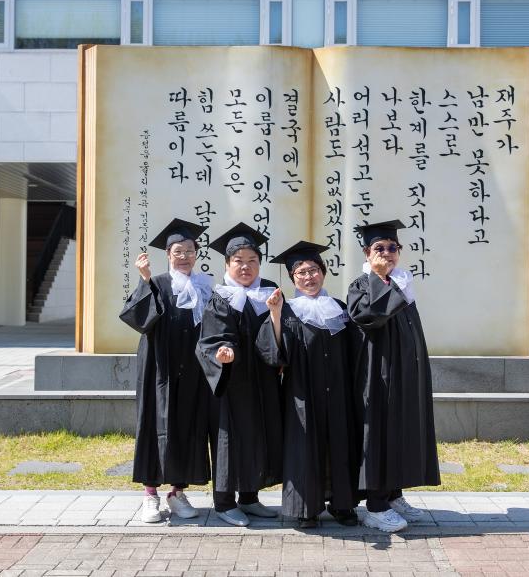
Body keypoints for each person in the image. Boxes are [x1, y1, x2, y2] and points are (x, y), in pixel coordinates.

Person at [257, 240, 359, 529]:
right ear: (292, 278)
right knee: (305, 448)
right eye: (301, 272)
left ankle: (342, 504)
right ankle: (305, 509)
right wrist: (275, 316)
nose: (308, 277)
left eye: (313, 270)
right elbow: (276, 353)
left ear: (323, 272)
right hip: (302, 392)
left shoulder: (339, 308)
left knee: (339, 445)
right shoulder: (287, 310)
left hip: (338, 391)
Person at [347, 219, 440, 533]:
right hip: (378, 375)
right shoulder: (361, 284)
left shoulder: (402, 283)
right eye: (379, 248)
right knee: (379, 436)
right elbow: (365, 317)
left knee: (401, 431)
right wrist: (379, 277)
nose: (387, 253)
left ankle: (394, 494)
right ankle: (375, 505)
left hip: (404, 375)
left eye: (392, 248)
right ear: (366, 252)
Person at [119, 218, 214, 523]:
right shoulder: (158, 282)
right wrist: (144, 279)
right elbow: (138, 318)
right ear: (168, 255)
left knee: (187, 426)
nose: (184, 255)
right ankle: (150, 495)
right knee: (155, 424)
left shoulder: (204, 286)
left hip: (193, 370)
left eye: (189, 250)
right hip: (160, 369)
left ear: (197, 253)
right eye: (177, 251)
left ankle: (177, 492)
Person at [195, 222, 283, 527]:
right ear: (227, 264)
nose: (245, 267)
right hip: (232, 382)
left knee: (258, 434)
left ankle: (250, 497)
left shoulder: (269, 291)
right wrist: (224, 353)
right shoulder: (220, 297)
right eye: (238, 261)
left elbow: (284, 331)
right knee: (229, 439)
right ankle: (224, 502)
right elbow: (210, 339)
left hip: (263, 379)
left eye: (252, 261)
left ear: (260, 263)